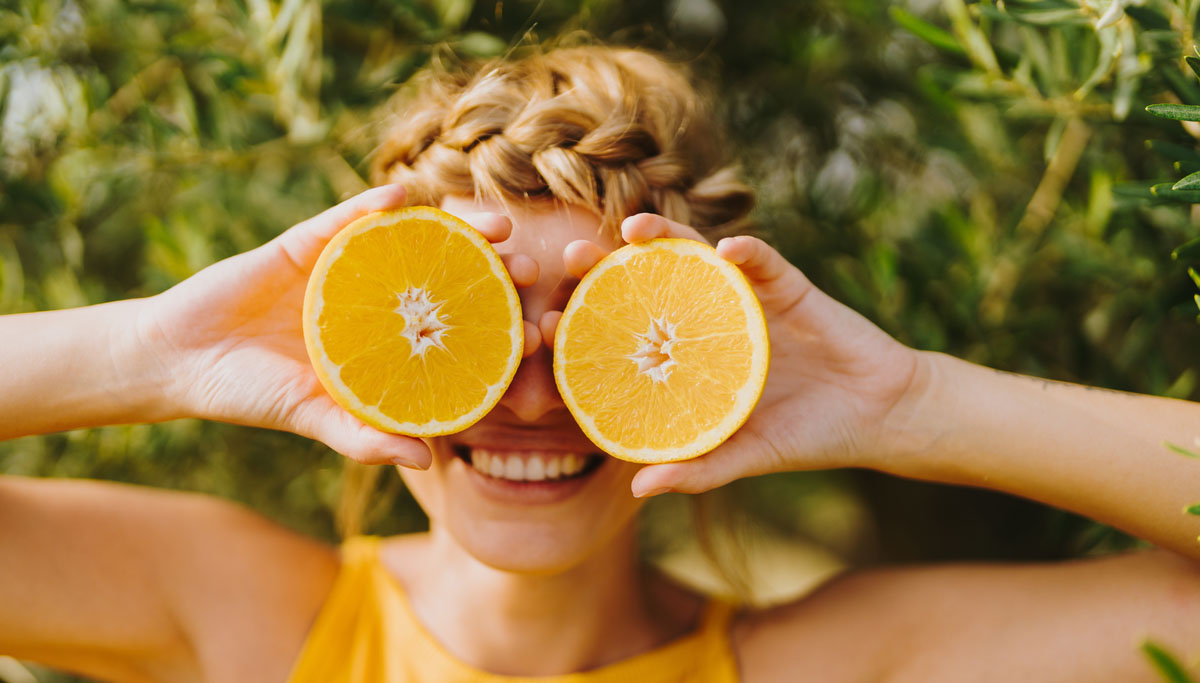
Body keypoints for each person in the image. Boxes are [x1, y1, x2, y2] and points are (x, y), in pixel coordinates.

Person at [1, 44, 1199, 683]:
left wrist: (916, 401)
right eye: (465, 322)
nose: (529, 391)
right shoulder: (249, 615)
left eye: (595, 323)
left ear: (699, 341)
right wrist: (152, 347)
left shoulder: (826, 661)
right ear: (373, 329)